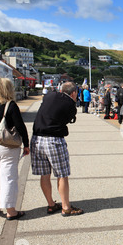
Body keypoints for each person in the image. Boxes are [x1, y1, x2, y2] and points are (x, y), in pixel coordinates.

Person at [30, 81, 84, 217]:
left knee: (45, 174)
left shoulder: (48, 95)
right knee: (62, 174)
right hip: (54, 140)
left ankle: (51, 204)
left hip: (37, 139)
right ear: (73, 93)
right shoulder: (71, 105)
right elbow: (66, 119)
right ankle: (66, 207)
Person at [0, 78, 29, 220]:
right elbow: (20, 126)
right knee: (8, 177)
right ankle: (10, 210)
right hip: (6, 144)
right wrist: (26, 144)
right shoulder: (10, 106)